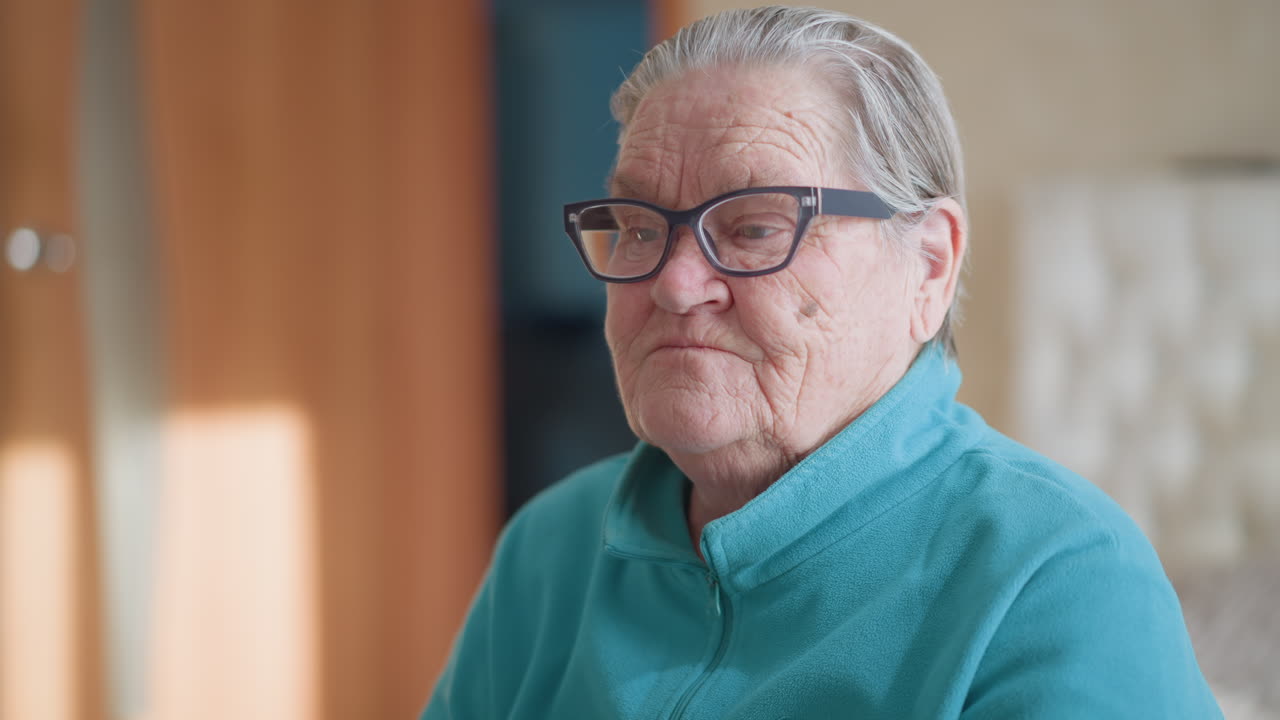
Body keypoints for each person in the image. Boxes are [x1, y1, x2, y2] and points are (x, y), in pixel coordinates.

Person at [423, 6, 1221, 718]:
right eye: (638, 226)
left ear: (929, 266)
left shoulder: (1052, 578)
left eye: (755, 226)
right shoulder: (553, 547)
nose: (671, 282)